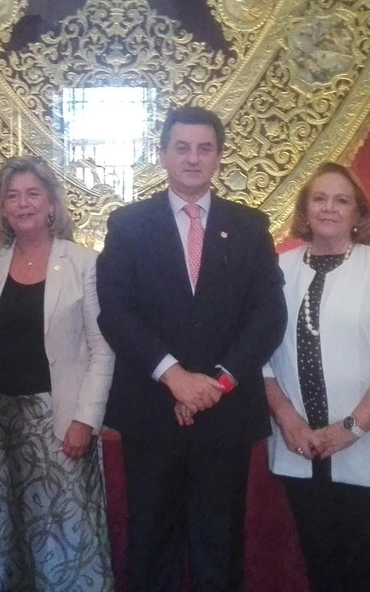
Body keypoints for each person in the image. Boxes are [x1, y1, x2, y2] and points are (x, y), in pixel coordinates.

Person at [96, 106, 286, 592]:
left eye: (205, 148)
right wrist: (175, 377)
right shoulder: (128, 224)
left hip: (225, 414)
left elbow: (268, 317)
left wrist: (217, 382)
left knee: (218, 547)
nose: (193, 158)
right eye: (182, 147)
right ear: (162, 155)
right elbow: (116, 312)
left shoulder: (249, 226)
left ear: (219, 157)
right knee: (151, 544)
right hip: (152, 410)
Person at [262, 162, 370, 592]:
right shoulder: (277, 269)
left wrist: (352, 427)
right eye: (319, 198)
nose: (329, 208)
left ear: (359, 213)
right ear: (304, 208)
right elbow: (259, 354)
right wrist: (288, 420)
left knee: (369, 569)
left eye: (341, 200)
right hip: (301, 447)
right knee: (322, 566)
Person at [0, 156, 116, 591]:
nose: (22, 204)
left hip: (59, 424)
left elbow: (103, 350)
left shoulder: (84, 263)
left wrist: (85, 419)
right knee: (1, 539)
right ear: (2, 208)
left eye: (33, 194)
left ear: (51, 204)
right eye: (12, 196)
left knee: (62, 538)